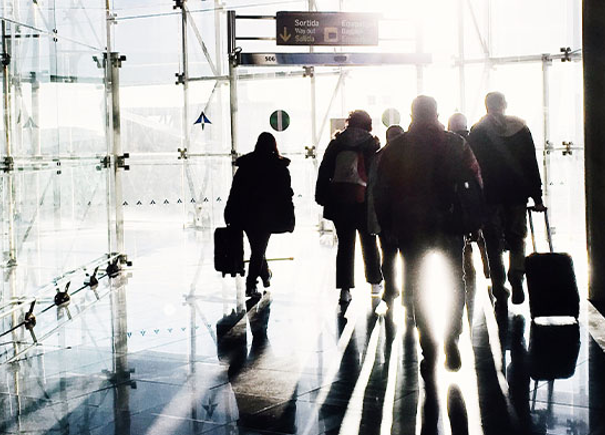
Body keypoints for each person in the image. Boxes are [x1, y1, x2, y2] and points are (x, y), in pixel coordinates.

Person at [374, 96, 482, 373]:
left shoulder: (396, 147)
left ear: (411, 114)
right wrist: (472, 220)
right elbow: (474, 181)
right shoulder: (456, 143)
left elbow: (382, 189)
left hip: (411, 226)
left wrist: (387, 225)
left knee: (417, 283)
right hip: (449, 223)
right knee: (455, 281)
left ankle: (429, 347)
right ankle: (451, 337)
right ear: (436, 113)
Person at [467, 92, 546, 306]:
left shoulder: (477, 131)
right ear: (505, 105)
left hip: (490, 195)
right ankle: (517, 275)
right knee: (518, 237)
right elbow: (531, 162)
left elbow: (473, 168)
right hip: (517, 193)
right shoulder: (521, 129)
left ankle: (499, 287)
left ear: (486, 106)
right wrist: (537, 197)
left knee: (492, 241)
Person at [315, 110, 383, 305]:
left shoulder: (337, 143)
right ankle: (375, 282)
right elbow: (376, 173)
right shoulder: (372, 143)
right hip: (363, 200)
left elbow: (324, 170)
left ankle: (345, 290)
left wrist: (322, 196)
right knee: (369, 241)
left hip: (340, 200)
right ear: (368, 124)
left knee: (345, 245)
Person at [225, 132, 295, 298]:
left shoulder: (246, 166)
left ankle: (265, 276)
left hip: (246, 213)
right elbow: (286, 194)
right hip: (268, 214)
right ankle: (251, 284)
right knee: (258, 249)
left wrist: (229, 212)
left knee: (257, 247)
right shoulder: (279, 167)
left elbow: (235, 192)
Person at [447, 113, 491, 291]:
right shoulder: (476, 139)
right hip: (475, 193)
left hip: (456, 196)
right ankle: (488, 270)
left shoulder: (449, 142)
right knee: (481, 235)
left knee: (461, 236)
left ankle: (468, 271)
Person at [368, 125, 409, 308]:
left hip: (385, 213)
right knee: (408, 256)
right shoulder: (411, 157)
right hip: (407, 214)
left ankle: (391, 290)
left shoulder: (378, 157)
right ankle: (408, 293)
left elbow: (373, 188)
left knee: (388, 254)